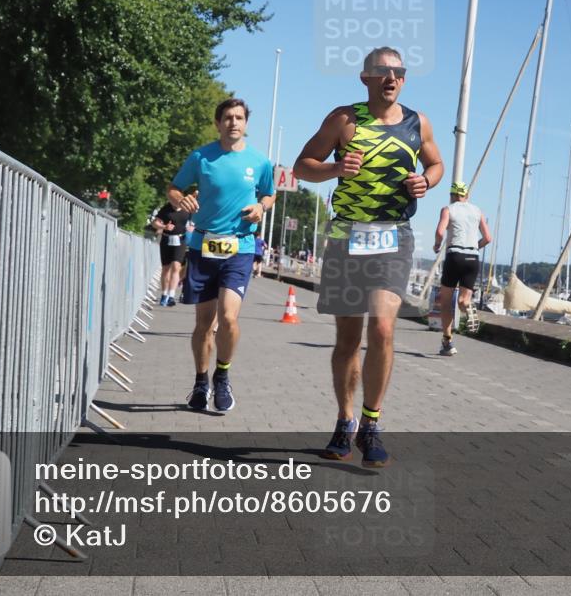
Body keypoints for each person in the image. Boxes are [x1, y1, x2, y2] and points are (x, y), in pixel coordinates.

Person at [294, 46, 443, 467]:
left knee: (381, 328)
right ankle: (345, 420)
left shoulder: (418, 122)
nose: (391, 78)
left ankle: (371, 423)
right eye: (382, 72)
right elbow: (303, 166)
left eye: (398, 72)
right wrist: (335, 170)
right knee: (347, 341)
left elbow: (436, 165)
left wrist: (425, 182)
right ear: (366, 78)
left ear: (404, 79)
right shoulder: (344, 119)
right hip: (346, 236)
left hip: (394, 236)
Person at [168, 98, 274, 412]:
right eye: (227, 117)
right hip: (203, 246)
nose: (233, 123)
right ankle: (201, 382)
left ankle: (222, 377)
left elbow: (269, 194)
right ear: (218, 123)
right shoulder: (201, 156)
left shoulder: (260, 161)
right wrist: (181, 199)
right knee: (203, 324)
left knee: (228, 317)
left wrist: (260, 207)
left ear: (246, 123)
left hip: (239, 247)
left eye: (239, 117)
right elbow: (173, 188)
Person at [433, 181, 492, 355]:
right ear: (466, 196)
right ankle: (467, 305)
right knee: (462, 301)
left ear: (452, 195)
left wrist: (437, 245)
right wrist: (475, 247)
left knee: (445, 302)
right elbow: (488, 238)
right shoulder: (477, 211)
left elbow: (439, 232)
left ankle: (447, 342)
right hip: (472, 257)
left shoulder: (448, 209)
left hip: (454, 256)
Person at [152, 198, 192, 306]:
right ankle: (164, 294)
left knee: (176, 266)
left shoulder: (187, 209)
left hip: (180, 240)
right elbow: (155, 223)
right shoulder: (166, 209)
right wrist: (164, 226)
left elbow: (195, 221)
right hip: (166, 239)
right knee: (166, 268)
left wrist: (192, 227)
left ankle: (171, 295)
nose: (175, 204)